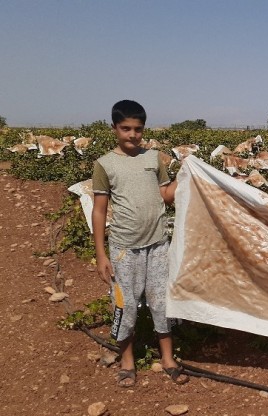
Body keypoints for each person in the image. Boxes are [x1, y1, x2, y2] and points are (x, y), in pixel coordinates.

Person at [91, 100, 189, 388]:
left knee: (161, 301)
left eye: (138, 129)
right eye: (126, 129)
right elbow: (99, 210)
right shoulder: (105, 164)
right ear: (114, 128)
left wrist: (187, 173)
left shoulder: (152, 159)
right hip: (124, 248)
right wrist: (100, 253)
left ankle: (168, 359)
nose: (132, 135)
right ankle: (127, 361)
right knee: (126, 304)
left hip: (157, 244)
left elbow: (166, 196)